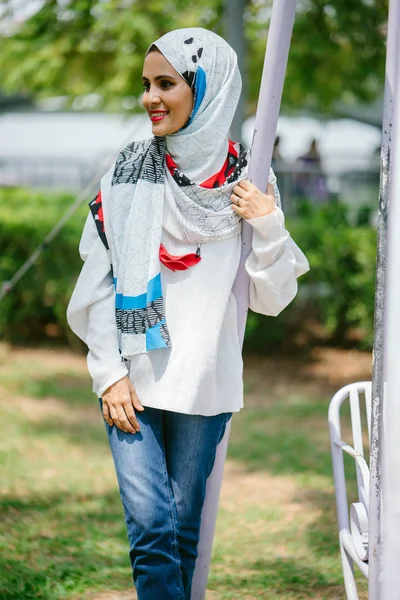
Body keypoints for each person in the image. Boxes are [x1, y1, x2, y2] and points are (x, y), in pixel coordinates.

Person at [67, 27, 309, 600]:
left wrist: (268, 223)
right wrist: (110, 373)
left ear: (208, 88)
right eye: (146, 84)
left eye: (166, 83)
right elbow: (94, 285)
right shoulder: (125, 177)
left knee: (182, 535)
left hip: (205, 383)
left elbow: (272, 299)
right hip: (133, 380)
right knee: (152, 532)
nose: (151, 96)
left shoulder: (251, 181)